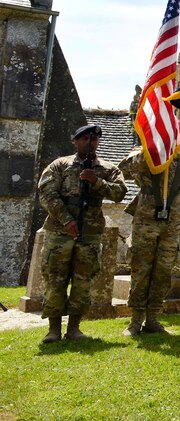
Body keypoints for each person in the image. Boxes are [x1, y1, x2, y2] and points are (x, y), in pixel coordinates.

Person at [37, 124, 127, 343]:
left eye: (94, 140)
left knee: (83, 280)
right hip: (60, 232)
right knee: (55, 279)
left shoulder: (107, 169)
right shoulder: (60, 165)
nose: (90, 143)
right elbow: (47, 194)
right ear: (75, 141)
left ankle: (74, 328)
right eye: (85, 139)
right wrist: (67, 220)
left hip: (89, 234)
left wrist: (97, 182)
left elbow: (120, 193)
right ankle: (54, 329)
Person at [119, 147, 180, 336]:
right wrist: (148, 152)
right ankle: (135, 320)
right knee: (141, 268)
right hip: (146, 218)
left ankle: (153, 318)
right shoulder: (143, 153)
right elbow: (124, 170)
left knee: (163, 270)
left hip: (172, 222)